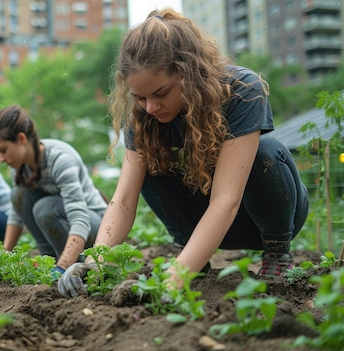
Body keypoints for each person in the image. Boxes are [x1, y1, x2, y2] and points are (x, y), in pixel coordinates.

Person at [58, 8, 309, 297]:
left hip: (266, 218)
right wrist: (95, 263)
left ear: (189, 73)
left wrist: (173, 279)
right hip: (206, 228)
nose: (151, 107)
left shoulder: (241, 90)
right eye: (140, 98)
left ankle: (277, 254)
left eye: (161, 93)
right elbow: (124, 200)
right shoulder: (144, 118)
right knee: (149, 160)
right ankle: (192, 260)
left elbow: (226, 200)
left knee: (265, 152)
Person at [0, 105, 108, 272]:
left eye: (3, 150)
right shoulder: (18, 166)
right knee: (19, 194)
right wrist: (3, 255)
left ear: (21, 139)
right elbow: (16, 215)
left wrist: (63, 266)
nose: (1, 159)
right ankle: (49, 260)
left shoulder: (60, 160)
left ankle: (73, 264)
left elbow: (79, 219)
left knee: (45, 207)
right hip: (68, 224)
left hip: (97, 227)